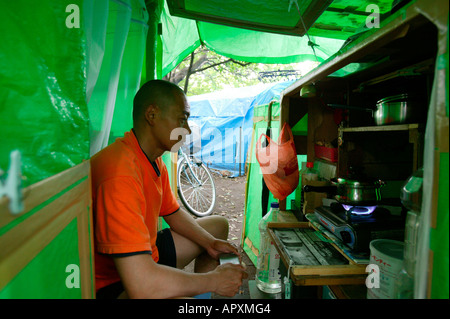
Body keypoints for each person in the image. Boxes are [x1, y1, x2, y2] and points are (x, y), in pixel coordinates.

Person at [91, 79, 247, 299]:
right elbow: (141, 286)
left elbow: (172, 212)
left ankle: (198, 295)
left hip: (145, 255)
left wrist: (209, 243)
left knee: (217, 227)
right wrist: (215, 280)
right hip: (118, 281)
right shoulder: (120, 173)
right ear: (152, 115)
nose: (187, 129)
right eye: (182, 119)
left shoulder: (152, 159)